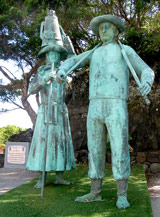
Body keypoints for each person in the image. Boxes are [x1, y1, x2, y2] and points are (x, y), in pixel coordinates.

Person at [56, 14, 154, 208]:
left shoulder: (125, 51)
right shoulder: (93, 52)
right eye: (101, 28)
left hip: (116, 103)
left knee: (119, 148)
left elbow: (146, 70)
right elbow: (71, 61)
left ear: (117, 30)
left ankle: (122, 194)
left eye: (108, 27)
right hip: (95, 104)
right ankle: (95, 191)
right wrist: (62, 70)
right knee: (94, 149)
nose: (104, 30)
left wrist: (147, 81)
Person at [26, 10, 76, 188]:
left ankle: (60, 176)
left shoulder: (64, 70)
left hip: (60, 110)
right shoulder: (41, 72)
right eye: (50, 53)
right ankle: (42, 178)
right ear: (46, 56)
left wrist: (65, 38)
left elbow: (74, 59)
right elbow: (31, 90)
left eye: (56, 53)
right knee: (44, 144)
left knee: (60, 143)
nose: (54, 56)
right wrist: (43, 81)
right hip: (46, 112)